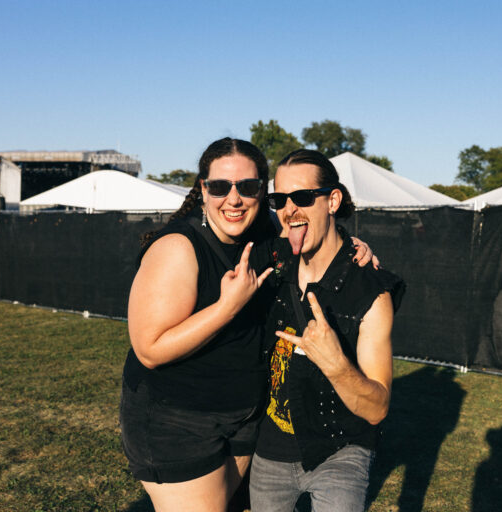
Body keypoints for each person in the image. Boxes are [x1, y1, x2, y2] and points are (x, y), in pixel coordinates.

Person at [119, 138, 376, 512]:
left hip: (244, 418)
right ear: (203, 189)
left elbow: (313, 230)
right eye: (221, 187)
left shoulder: (264, 232)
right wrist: (227, 307)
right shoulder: (178, 247)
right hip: (176, 420)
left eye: (249, 187)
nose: (234, 199)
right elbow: (150, 349)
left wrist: (353, 244)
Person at [249, 149, 405, 512]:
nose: (290, 209)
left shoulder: (369, 292)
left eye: (303, 197)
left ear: (332, 200)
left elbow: (378, 408)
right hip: (270, 452)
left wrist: (335, 363)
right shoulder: (270, 263)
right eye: (279, 199)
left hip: (341, 452)